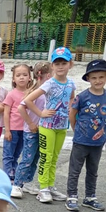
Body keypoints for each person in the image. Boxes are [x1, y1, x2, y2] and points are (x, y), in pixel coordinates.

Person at [24, 46, 75, 203]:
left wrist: (70, 111)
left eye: (64, 63)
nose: (60, 66)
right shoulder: (49, 83)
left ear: (70, 64)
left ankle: (50, 186)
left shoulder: (71, 84)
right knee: (46, 157)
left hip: (62, 126)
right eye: (57, 63)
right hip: (47, 126)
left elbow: (72, 99)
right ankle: (43, 188)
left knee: (54, 157)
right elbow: (28, 100)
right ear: (52, 66)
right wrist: (41, 114)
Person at [65, 58, 106, 212]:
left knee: (93, 171)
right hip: (81, 141)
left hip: (98, 142)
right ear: (88, 78)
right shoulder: (82, 96)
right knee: (75, 170)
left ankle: (90, 197)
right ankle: (72, 196)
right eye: (94, 77)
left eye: (101, 77)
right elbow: (72, 113)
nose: (98, 80)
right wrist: (76, 129)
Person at [10, 61, 53, 198]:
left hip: (44, 130)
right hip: (31, 131)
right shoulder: (35, 92)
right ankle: (16, 184)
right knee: (27, 158)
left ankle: (27, 182)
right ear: (47, 76)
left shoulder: (48, 92)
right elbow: (21, 108)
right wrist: (31, 124)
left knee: (35, 158)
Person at [2, 63, 33, 181]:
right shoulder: (11, 94)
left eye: (25, 75)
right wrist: (7, 130)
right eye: (18, 75)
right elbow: (6, 113)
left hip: (25, 129)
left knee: (17, 154)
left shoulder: (31, 93)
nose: (21, 78)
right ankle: (6, 174)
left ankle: (13, 172)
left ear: (29, 77)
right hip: (13, 129)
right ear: (13, 79)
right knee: (8, 154)